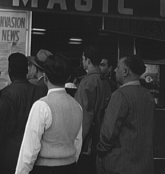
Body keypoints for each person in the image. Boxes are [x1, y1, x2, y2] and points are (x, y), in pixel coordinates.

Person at [15, 54, 83, 174]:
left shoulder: (41, 106)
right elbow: (78, 143)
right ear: (68, 78)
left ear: (45, 77)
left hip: (45, 169)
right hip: (71, 167)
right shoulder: (77, 106)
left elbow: (29, 150)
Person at [97, 55, 155, 174]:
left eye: (118, 67)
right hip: (144, 165)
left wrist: (100, 151)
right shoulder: (148, 96)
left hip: (120, 165)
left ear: (125, 71)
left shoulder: (120, 95)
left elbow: (108, 132)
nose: (114, 70)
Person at [0, 53, 46, 174]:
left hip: (12, 151)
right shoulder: (39, 91)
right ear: (26, 70)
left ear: (10, 71)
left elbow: (8, 125)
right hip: (35, 150)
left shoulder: (6, 93)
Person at [74, 45, 111, 174]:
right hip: (103, 139)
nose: (82, 61)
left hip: (88, 143)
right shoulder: (106, 82)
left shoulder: (87, 82)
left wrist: (77, 144)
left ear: (88, 61)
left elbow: (84, 116)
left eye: (83, 58)